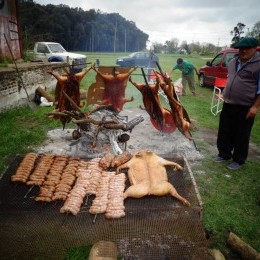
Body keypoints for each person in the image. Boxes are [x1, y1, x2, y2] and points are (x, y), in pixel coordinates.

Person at [215, 37, 260, 170]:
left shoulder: (258, 64)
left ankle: (238, 159)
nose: (243, 51)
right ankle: (224, 154)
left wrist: (255, 107)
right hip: (228, 103)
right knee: (225, 130)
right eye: (241, 48)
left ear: (254, 49)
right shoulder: (233, 61)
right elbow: (231, 79)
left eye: (246, 48)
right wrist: (225, 93)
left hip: (246, 107)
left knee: (241, 134)